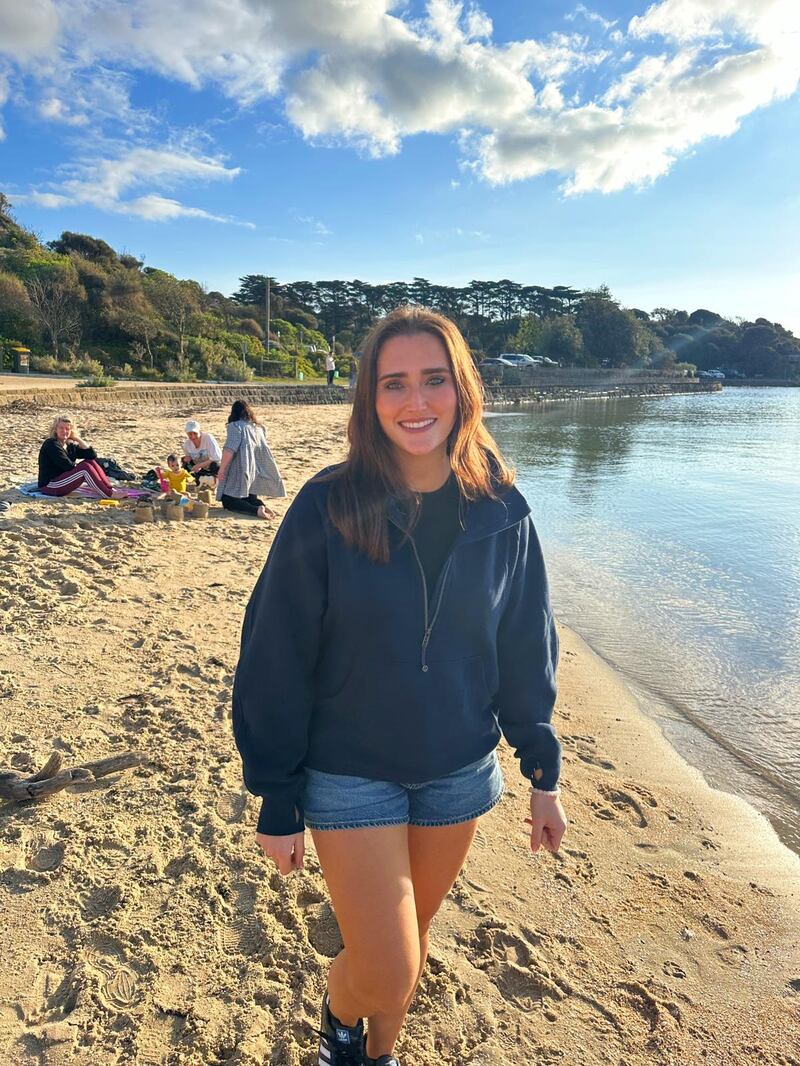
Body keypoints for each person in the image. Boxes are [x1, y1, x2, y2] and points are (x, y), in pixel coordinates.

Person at [233, 307, 567, 1066]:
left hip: (456, 771)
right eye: (394, 384)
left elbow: (525, 644)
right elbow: (275, 655)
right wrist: (277, 793)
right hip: (348, 772)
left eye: (433, 380)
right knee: (389, 965)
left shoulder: (503, 511)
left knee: (405, 955)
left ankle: (371, 1053)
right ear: (369, 398)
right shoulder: (328, 506)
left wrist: (541, 771)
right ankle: (336, 1016)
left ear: (462, 390)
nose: (415, 403)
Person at [216, 400, 286, 520]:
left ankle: (257, 510)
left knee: (228, 500)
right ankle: (262, 506)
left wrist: (221, 470)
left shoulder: (236, 426)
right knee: (249, 497)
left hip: (241, 468)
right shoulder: (259, 428)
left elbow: (229, 450)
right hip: (255, 470)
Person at [38, 415, 115, 499]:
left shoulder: (69, 445)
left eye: (68, 429)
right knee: (85, 467)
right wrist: (82, 468)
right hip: (50, 485)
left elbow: (92, 455)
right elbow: (68, 466)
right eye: (61, 428)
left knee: (90, 462)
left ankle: (109, 488)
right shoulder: (51, 444)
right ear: (55, 430)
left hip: (62, 481)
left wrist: (77, 439)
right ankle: (108, 494)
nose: (64, 431)